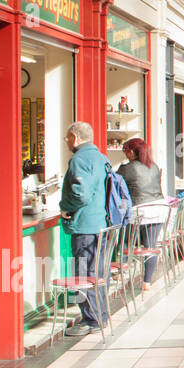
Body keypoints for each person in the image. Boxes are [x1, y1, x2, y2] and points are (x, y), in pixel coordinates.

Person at [58, 122, 112, 337]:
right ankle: (101, 315)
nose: (66, 142)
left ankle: (90, 319)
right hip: (103, 224)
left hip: (85, 225)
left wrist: (65, 207)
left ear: (75, 137)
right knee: (99, 272)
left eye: (67, 138)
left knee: (84, 273)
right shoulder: (101, 158)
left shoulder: (79, 159)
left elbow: (81, 194)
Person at [117, 138, 167, 289]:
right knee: (150, 246)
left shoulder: (128, 168)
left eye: (125, 152)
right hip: (159, 208)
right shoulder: (154, 166)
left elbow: (114, 182)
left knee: (124, 241)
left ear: (131, 152)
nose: (126, 155)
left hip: (139, 211)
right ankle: (146, 282)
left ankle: (121, 271)